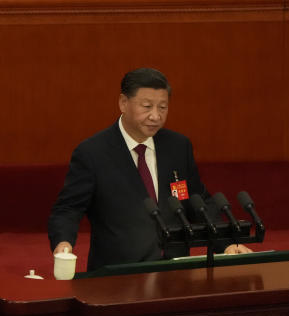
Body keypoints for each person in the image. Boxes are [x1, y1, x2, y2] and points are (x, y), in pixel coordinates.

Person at [48, 68, 251, 272]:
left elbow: (197, 201)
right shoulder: (93, 153)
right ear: (123, 103)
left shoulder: (178, 147)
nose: (156, 116)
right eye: (147, 106)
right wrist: (63, 243)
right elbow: (68, 209)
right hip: (117, 275)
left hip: (175, 273)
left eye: (163, 107)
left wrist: (226, 243)